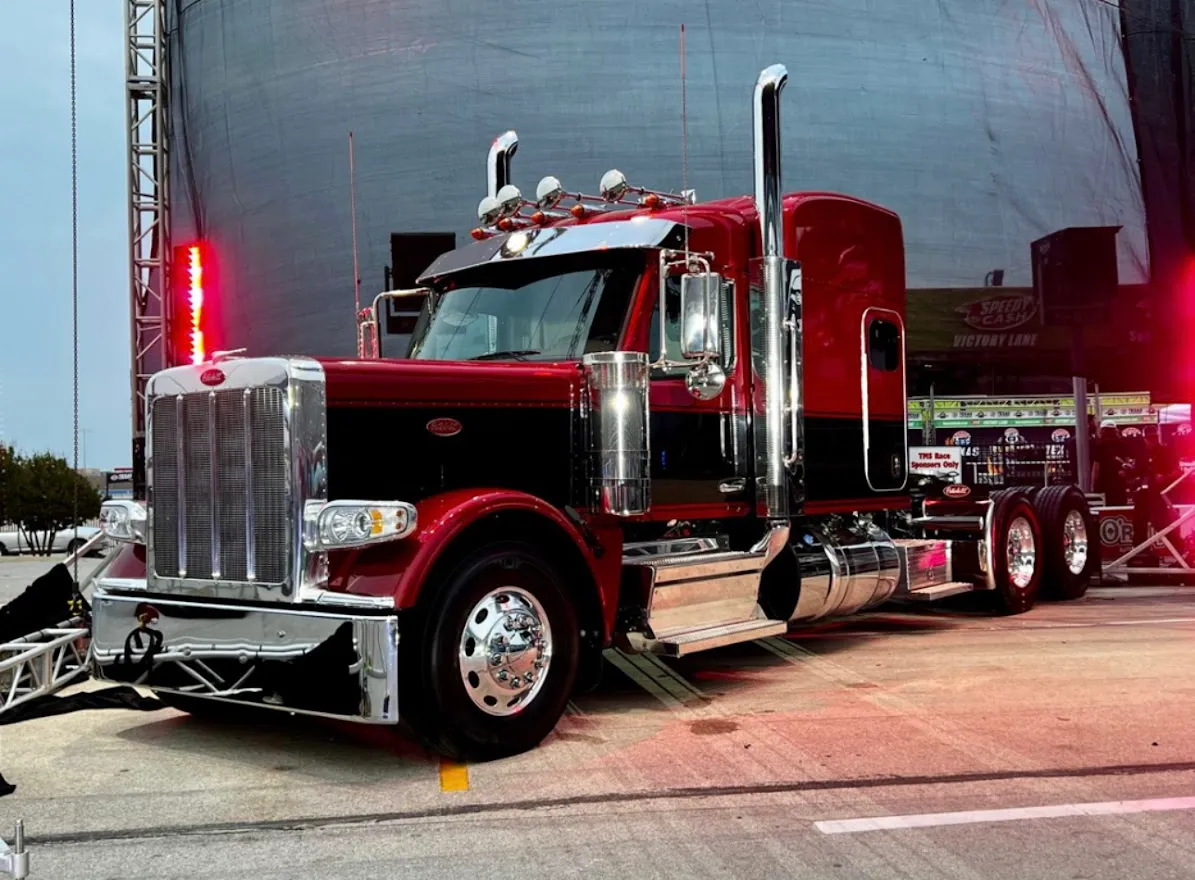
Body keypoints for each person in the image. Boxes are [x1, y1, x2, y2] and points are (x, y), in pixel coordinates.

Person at [1131, 430, 1190, 564]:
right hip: (1144, 493)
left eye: (1153, 438)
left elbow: (1177, 471)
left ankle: (1181, 551)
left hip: (1160, 493)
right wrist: (1132, 474)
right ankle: (1140, 551)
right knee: (1139, 521)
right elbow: (1138, 472)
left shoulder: (1165, 451)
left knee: (1161, 523)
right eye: (1149, 438)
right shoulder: (1142, 454)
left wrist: (1165, 478)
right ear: (1145, 439)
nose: (1151, 441)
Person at [1091, 420, 1129, 506]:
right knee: (1120, 508)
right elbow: (1127, 464)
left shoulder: (1100, 446)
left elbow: (1096, 468)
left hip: (1104, 484)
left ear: (1102, 431)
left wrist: (1093, 486)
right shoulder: (1122, 444)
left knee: (1106, 509)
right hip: (1119, 484)